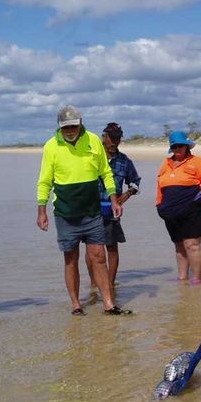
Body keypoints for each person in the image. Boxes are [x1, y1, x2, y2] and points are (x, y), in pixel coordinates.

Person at [36, 106, 129, 315]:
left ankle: (108, 303)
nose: (70, 130)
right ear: (60, 127)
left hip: (92, 211)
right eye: (66, 127)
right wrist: (41, 210)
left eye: (73, 126)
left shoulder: (94, 140)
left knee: (98, 256)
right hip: (65, 214)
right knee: (71, 258)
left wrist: (114, 200)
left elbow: (106, 173)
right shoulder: (51, 146)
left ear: (80, 124)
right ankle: (76, 304)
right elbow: (44, 182)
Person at [156, 130, 201, 286]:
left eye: (180, 146)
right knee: (178, 245)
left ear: (186, 146)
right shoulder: (166, 163)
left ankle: (196, 278)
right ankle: (182, 277)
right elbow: (160, 186)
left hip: (195, 209)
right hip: (171, 211)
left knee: (191, 244)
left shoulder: (197, 162)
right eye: (175, 146)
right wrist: (159, 205)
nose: (178, 149)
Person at [85, 122, 141, 293]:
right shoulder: (91, 157)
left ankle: (109, 284)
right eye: (111, 138)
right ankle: (95, 284)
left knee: (111, 247)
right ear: (104, 137)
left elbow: (135, 182)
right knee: (92, 249)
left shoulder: (124, 161)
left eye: (117, 138)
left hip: (111, 210)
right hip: (91, 209)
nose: (114, 142)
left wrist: (126, 195)